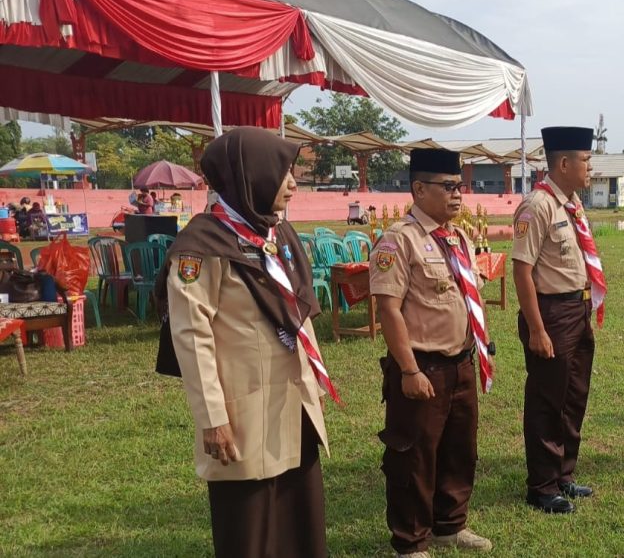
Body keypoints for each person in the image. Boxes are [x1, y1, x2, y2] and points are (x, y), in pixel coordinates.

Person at [160, 127, 337, 557]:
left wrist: (313, 381)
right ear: (251, 176)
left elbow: (298, 314)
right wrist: (212, 418)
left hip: (292, 404)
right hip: (244, 410)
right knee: (250, 528)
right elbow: (192, 337)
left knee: (300, 519)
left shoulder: (278, 236)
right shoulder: (202, 247)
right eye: (284, 173)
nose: (293, 183)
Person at [370, 148, 495, 558]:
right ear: (419, 189)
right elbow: (388, 309)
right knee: (414, 457)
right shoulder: (398, 240)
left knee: (460, 450)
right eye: (448, 187)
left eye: (460, 186)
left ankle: (450, 524)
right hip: (422, 366)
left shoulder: (456, 237)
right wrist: (408, 370)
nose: (458, 195)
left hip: (459, 363)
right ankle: (410, 542)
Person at [511, 126, 606, 514]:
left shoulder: (571, 203)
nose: (590, 166)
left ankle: (564, 474)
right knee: (547, 402)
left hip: (577, 310)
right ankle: (542, 485)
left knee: (573, 397)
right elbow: (521, 271)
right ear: (564, 163)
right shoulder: (538, 205)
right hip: (550, 313)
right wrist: (536, 329)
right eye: (585, 160)